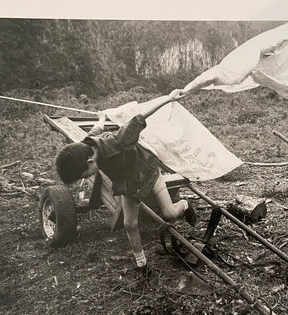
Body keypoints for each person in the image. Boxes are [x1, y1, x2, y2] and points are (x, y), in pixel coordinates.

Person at [55, 89, 196, 267]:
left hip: (148, 172)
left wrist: (169, 98)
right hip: (128, 184)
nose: (86, 178)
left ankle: (185, 204)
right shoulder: (86, 145)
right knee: (129, 224)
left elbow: (140, 117)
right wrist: (101, 118)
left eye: (84, 175)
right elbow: (96, 129)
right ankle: (141, 263)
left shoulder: (118, 141)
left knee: (169, 214)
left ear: (90, 162)